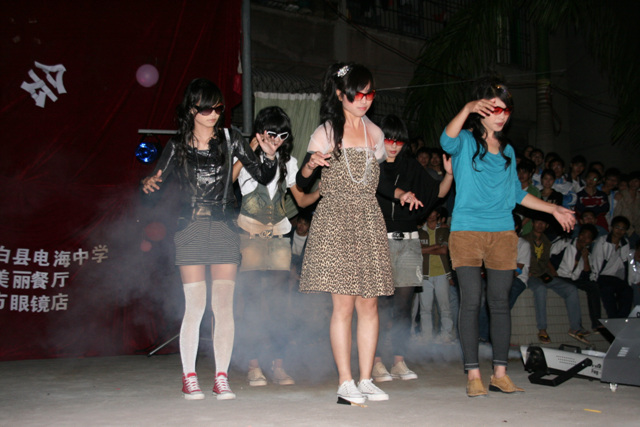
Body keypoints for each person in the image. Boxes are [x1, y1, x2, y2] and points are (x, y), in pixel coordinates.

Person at [141, 78, 278, 400]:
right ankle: (189, 377)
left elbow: (263, 175)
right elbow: (154, 185)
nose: (214, 113)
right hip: (190, 227)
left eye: (218, 108)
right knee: (195, 306)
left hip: (224, 227)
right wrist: (147, 184)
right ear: (192, 109)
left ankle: (221, 377)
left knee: (223, 307)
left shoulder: (232, 139)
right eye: (206, 108)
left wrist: (270, 155)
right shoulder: (177, 145)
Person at [439, 75, 575, 397]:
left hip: (502, 233)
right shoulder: (465, 142)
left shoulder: (509, 151)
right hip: (467, 232)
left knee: (499, 303)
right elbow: (445, 140)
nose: (502, 116)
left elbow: (517, 194)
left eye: (506, 111)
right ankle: (473, 374)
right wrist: (467, 107)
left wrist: (553, 209)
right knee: (471, 301)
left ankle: (499, 374)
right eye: (496, 109)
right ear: (481, 110)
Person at [295, 62, 422, 404]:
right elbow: (302, 182)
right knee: (344, 306)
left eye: (369, 94)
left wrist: (400, 193)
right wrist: (311, 164)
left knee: (370, 304)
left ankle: (366, 379)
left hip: (368, 219)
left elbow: (378, 181)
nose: (364, 100)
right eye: (357, 94)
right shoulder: (325, 133)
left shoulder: (375, 134)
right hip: (336, 220)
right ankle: (345, 382)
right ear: (340, 94)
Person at [234, 106, 320, 387]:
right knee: (252, 303)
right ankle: (253, 365)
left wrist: (323, 190)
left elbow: (302, 200)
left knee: (280, 304)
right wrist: (248, 149)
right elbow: (227, 182)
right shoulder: (244, 156)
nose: (277, 140)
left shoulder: (289, 162)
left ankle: (277, 364)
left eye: (283, 135)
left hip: (279, 238)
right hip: (250, 236)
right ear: (260, 132)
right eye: (272, 134)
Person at [372, 114, 453, 383]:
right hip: (379, 241)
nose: (394, 146)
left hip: (408, 242)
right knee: (380, 305)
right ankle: (376, 361)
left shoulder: (411, 166)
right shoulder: (371, 164)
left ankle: (399, 361)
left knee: (404, 306)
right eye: (389, 140)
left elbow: (438, 193)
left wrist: (449, 174)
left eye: (399, 141)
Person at [524, 218, 590, 345]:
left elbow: (547, 259)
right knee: (540, 289)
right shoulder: (524, 239)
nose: (540, 224)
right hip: (529, 275)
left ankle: (575, 327)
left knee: (571, 289)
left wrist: (552, 270)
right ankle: (542, 329)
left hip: (544, 274)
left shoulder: (546, 241)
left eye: (543, 222)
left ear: (547, 225)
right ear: (532, 223)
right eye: (538, 222)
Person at [550, 224, 604, 333]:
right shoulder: (565, 242)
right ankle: (577, 326)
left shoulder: (588, 254)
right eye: (583, 235)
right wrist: (552, 272)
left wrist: (585, 258)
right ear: (579, 234)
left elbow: (588, 276)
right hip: (559, 276)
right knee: (572, 288)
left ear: (591, 241)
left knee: (593, 287)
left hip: (573, 279)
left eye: (588, 237)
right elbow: (546, 256)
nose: (584, 238)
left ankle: (597, 323)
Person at [414, 209, 455, 342]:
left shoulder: (444, 230)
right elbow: (417, 251)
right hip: (424, 274)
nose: (431, 215)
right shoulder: (420, 232)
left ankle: (446, 334)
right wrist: (435, 246)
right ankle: (427, 335)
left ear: (437, 214)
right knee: (425, 308)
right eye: (428, 212)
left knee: (444, 306)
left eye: (433, 212)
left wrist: (426, 250)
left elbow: (444, 250)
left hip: (442, 273)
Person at [590, 216, 634, 318]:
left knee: (628, 291)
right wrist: (594, 279)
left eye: (623, 229)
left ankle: (621, 319)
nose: (619, 231)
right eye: (617, 227)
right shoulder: (602, 241)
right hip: (603, 276)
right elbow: (597, 260)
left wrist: (629, 281)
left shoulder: (625, 243)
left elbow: (627, 263)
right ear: (612, 227)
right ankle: (613, 318)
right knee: (608, 290)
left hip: (617, 278)